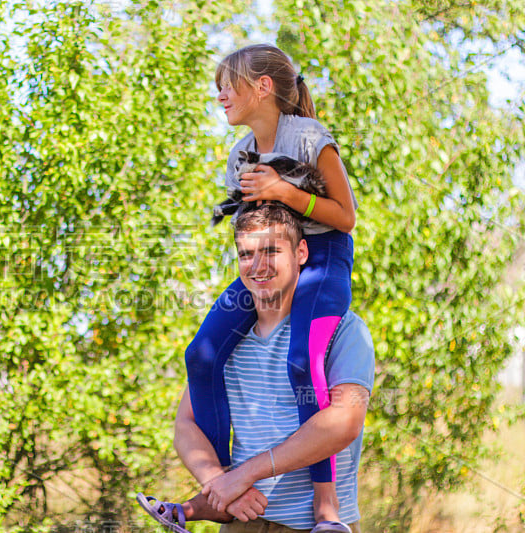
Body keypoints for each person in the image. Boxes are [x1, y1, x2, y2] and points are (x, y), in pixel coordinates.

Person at [183, 43, 359, 529]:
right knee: (201, 355)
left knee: (303, 361)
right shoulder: (240, 154)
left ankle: (327, 510)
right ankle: (219, 487)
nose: (219, 94)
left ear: (262, 87)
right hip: (273, 260)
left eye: (227, 84)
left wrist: (284, 191)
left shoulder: (309, 138)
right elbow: (254, 227)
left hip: (321, 258)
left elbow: (345, 217)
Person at [138, 204, 374, 532]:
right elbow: (185, 424)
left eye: (271, 251)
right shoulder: (225, 342)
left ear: (301, 252)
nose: (258, 266)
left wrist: (246, 474)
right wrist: (221, 485)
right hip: (241, 523)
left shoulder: (342, 329)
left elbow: (345, 421)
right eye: (246, 255)